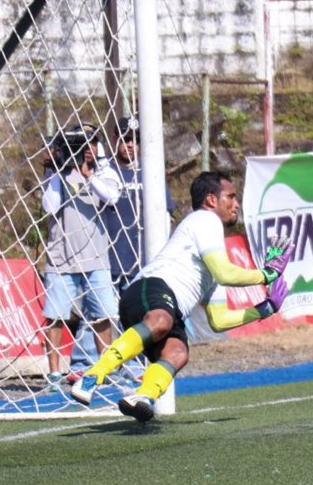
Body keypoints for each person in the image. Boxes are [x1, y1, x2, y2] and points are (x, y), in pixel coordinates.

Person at [70, 170, 294, 423]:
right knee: (162, 321)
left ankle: (141, 397)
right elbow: (225, 274)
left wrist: (264, 309)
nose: (236, 203)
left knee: (178, 352)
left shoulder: (213, 256)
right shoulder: (205, 220)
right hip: (148, 289)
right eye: (230, 197)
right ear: (211, 200)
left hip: (167, 308)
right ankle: (93, 375)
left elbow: (219, 320)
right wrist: (266, 274)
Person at [39, 129, 120, 379]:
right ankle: (54, 373)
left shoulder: (105, 173)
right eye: (79, 145)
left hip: (96, 258)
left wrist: (87, 177)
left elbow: (112, 197)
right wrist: (60, 171)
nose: (86, 150)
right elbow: (49, 207)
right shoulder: (56, 176)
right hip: (61, 259)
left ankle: (106, 370)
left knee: (103, 316)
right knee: (55, 317)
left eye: (91, 144)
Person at [102, 116, 174, 294]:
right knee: (103, 319)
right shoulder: (104, 171)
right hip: (107, 262)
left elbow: (165, 213)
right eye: (125, 139)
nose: (130, 145)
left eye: (135, 140)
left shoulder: (151, 171)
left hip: (143, 262)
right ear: (114, 138)